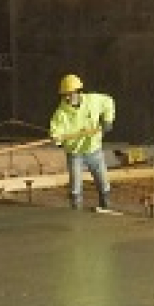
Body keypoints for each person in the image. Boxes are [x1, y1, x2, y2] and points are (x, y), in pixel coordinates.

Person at [49, 73, 116, 210]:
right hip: (75, 154)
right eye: (65, 95)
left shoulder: (93, 101)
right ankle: (76, 211)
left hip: (94, 150)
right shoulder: (61, 113)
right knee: (75, 187)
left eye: (70, 94)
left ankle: (106, 206)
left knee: (103, 182)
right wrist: (57, 139)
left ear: (78, 92)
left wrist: (108, 120)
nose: (67, 97)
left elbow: (109, 101)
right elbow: (55, 131)